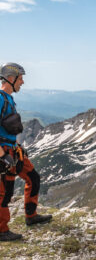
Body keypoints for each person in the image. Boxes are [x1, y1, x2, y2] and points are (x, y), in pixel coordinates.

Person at [0, 62, 52, 242]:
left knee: (33, 178)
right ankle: (1, 230)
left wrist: (17, 147)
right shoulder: (0, 99)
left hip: (13, 151)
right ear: (11, 79)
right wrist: (2, 156)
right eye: (20, 79)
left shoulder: (8, 99)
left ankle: (31, 216)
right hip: (3, 153)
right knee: (4, 193)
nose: (22, 82)